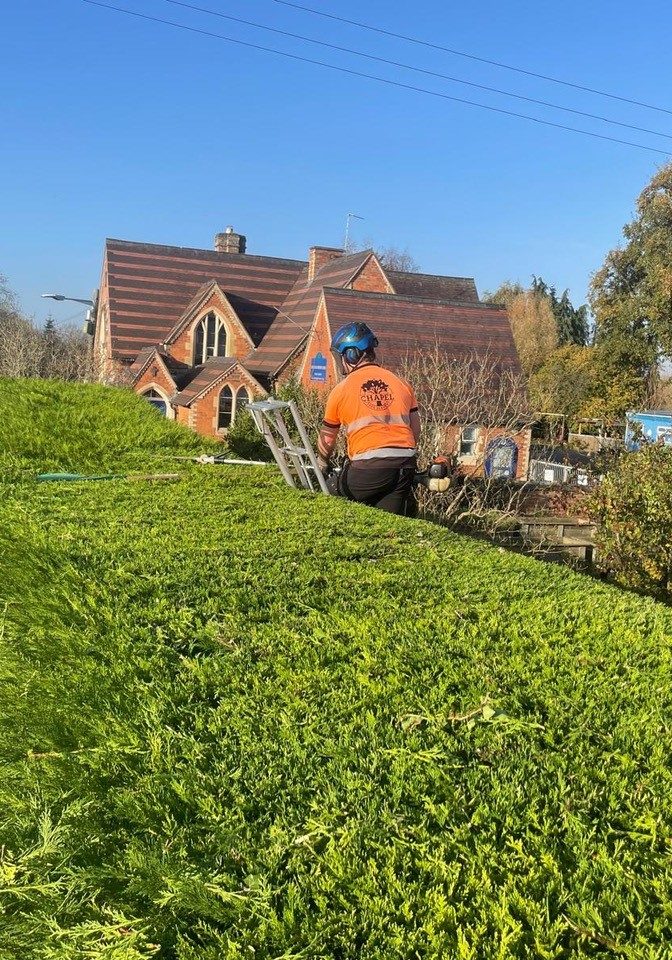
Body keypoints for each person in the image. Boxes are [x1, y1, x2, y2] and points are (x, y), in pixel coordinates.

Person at [317, 322, 421, 515]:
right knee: (390, 521)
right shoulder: (402, 383)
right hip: (404, 466)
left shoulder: (341, 390)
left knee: (330, 491)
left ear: (351, 354)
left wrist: (322, 462)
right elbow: (416, 430)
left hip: (367, 467)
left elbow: (328, 439)